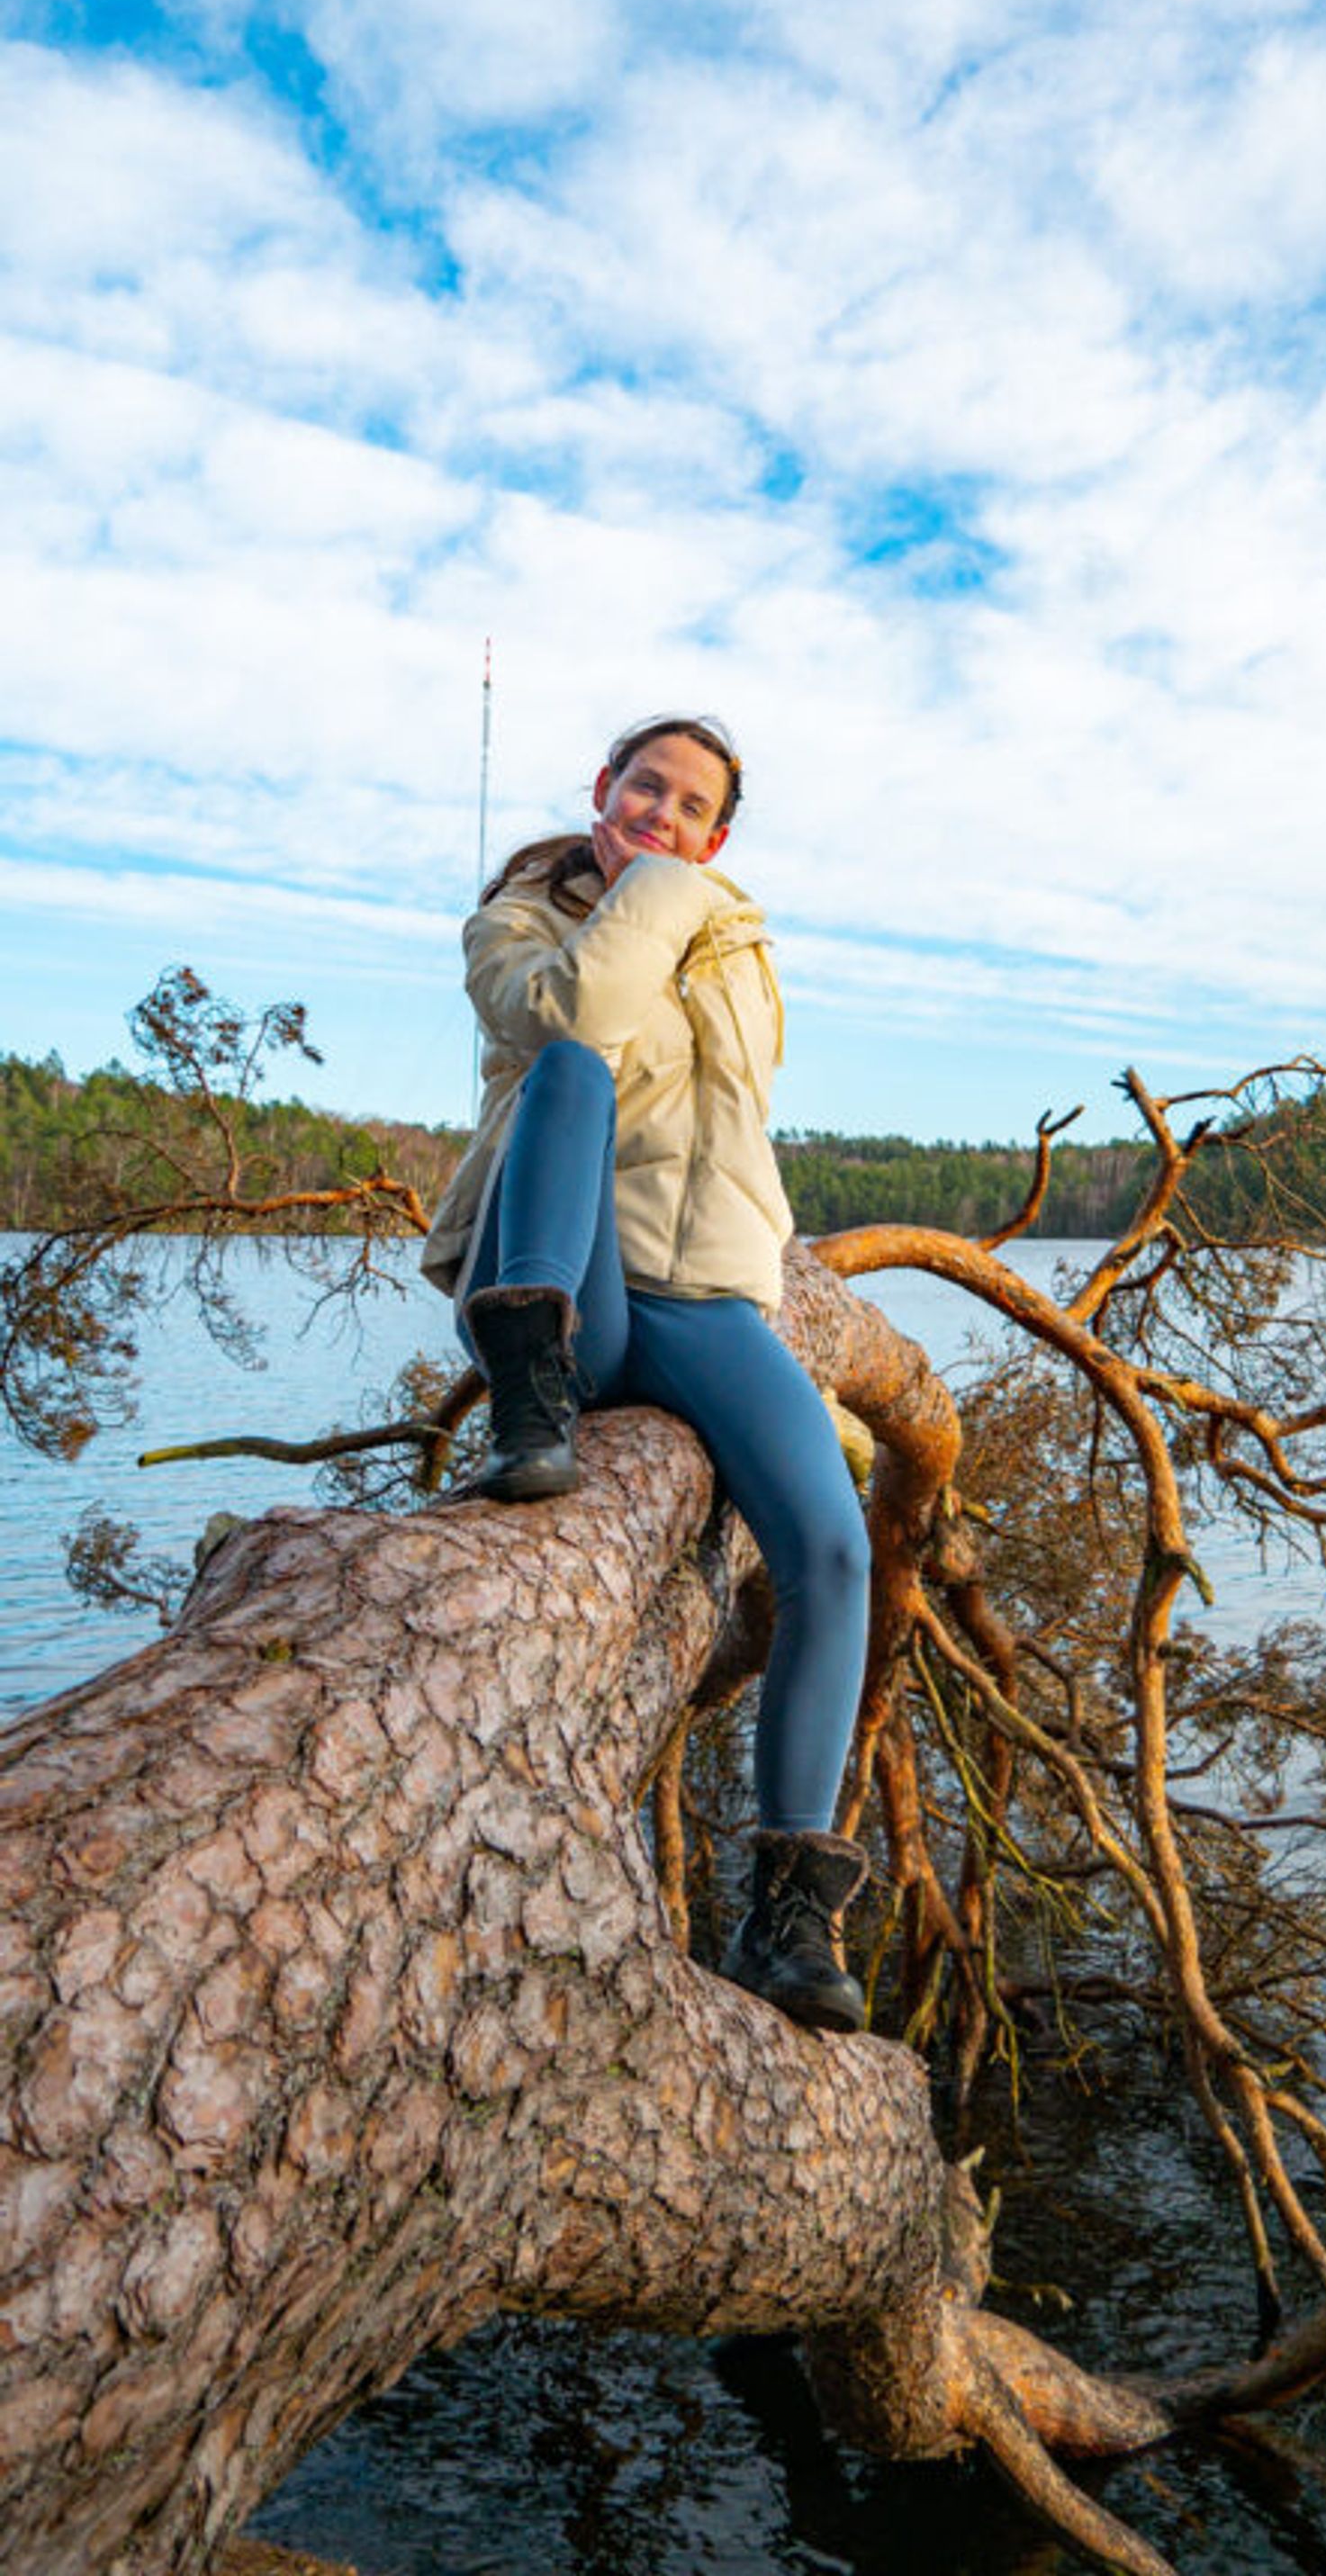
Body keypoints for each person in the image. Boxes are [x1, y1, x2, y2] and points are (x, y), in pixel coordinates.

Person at [421, 713, 872, 2033]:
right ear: (602, 793)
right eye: (644, 790)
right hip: (587, 1282)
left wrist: (775, 1276)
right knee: (568, 1067)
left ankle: (788, 1909)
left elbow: (738, 1126)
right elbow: (577, 1015)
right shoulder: (516, 919)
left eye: (690, 809)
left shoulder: (736, 940)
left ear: (719, 831)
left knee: (833, 1553)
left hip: (715, 1297)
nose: (662, 816)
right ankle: (532, 1383)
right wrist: (655, 891)